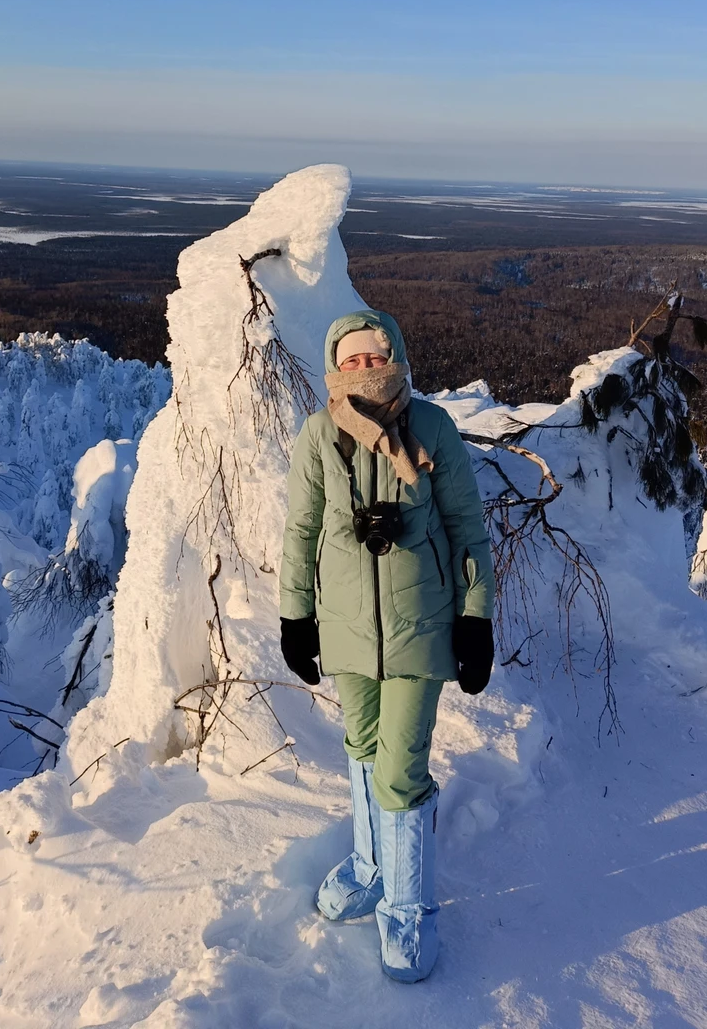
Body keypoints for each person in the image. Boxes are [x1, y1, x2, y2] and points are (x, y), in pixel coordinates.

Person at [279, 309, 495, 983]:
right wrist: (296, 618)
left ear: (395, 356)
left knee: (401, 770)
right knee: (363, 750)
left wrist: (475, 620)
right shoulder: (319, 435)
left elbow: (467, 529)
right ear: (335, 368)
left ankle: (407, 912)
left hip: (422, 628)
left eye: (377, 356)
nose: (366, 368)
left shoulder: (430, 428)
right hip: (347, 631)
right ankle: (373, 870)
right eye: (353, 359)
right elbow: (300, 532)